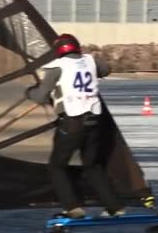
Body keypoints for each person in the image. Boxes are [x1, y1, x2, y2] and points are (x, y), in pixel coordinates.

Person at [26, 33, 124, 219]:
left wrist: (29, 92)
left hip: (72, 122)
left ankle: (73, 207)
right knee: (93, 165)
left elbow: (39, 96)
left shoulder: (57, 67)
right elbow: (106, 69)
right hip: (95, 121)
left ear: (58, 51)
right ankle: (115, 207)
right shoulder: (91, 60)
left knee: (57, 165)